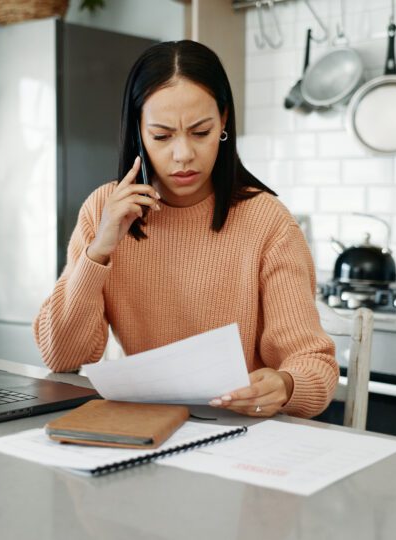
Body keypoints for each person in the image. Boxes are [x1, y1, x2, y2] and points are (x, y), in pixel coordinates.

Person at [33, 40, 337, 419]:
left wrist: (286, 385)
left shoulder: (268, 222)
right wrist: (99, 249)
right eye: (162, 136)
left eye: (200, 132)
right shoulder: (103, 211)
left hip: (243, 430)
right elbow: (61, 356)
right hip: (149, 428)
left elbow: (313, 364)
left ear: (223, 121)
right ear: (138, 131)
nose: (183, 155)